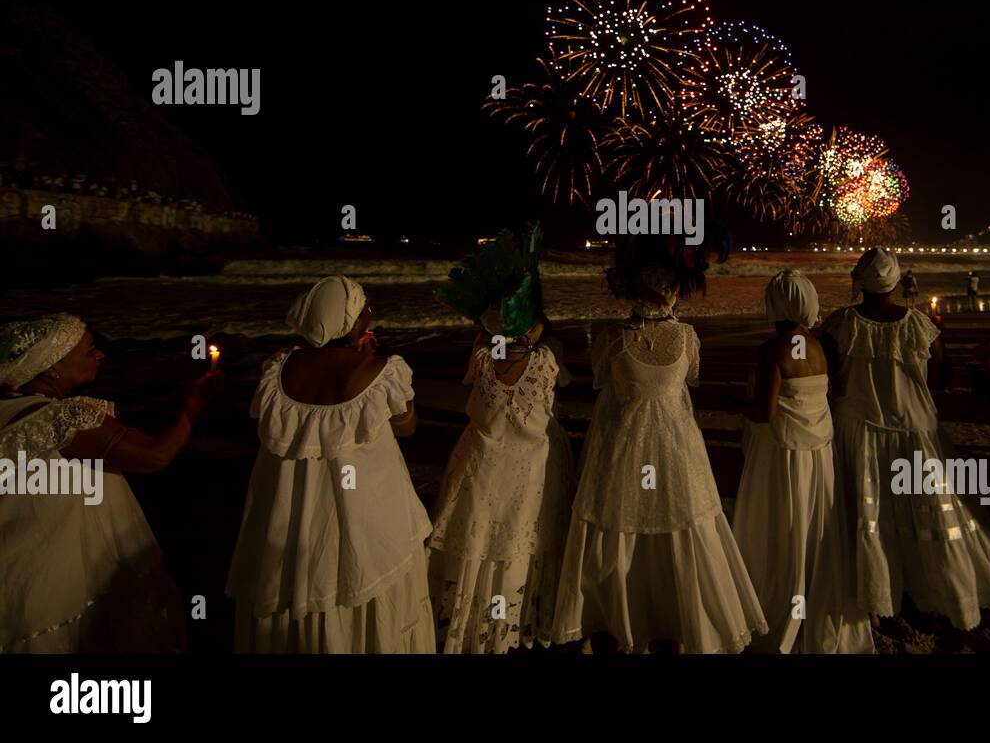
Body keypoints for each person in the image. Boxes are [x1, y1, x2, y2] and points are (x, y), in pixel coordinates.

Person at [554, 235, 767, 653]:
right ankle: (656, 621)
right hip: (667, 448)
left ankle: (627, 621)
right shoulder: (680, 337)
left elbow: (604, 385)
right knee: (660, 527)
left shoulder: (620, 337)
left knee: (629, 529)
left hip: (632, 447)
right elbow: (684, 382)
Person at [226, 276, 436, 652]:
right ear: (354, 323)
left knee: (303, 587)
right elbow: (407, 426)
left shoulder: (277, 369)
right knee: (361, 583)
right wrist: (368, 360)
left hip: (291, 524)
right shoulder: (381, 371)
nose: (370, 309)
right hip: (367, 516)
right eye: (365, 305)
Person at [822, 249, 990, 631]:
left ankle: (877, 599)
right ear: (897, 283)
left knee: (869, 514)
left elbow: (830, 377)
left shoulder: (840, 323)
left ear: (860, 283)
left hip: (859, 428)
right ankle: (936, 589)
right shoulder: (919, 323)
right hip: (915, 427)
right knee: (926, 508)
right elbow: (941, 376)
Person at [1, 314, 218, 653]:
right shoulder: (61, 418)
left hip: (19, 573)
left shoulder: (8, 409)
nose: (100, 355)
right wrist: (195, 405)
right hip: (66, 576)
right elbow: (155, 456)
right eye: (89, 351)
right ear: (52, 366)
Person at [428, 224, 575, 653]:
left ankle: (462, 626)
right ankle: (504, 623)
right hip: (527, 470)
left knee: (477, 539)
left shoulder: (482, 358)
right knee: (517, 540)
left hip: (481, 466)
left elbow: (490, 360)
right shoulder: (546, 363)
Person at [729, 269, 873, 653]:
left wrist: (735, 404)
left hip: (781, 455)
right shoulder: (820, 346)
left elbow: (765, 412)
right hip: (818, 453)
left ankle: (778, 604)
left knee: (781, 527)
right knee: (814, 526)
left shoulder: (773, 350)